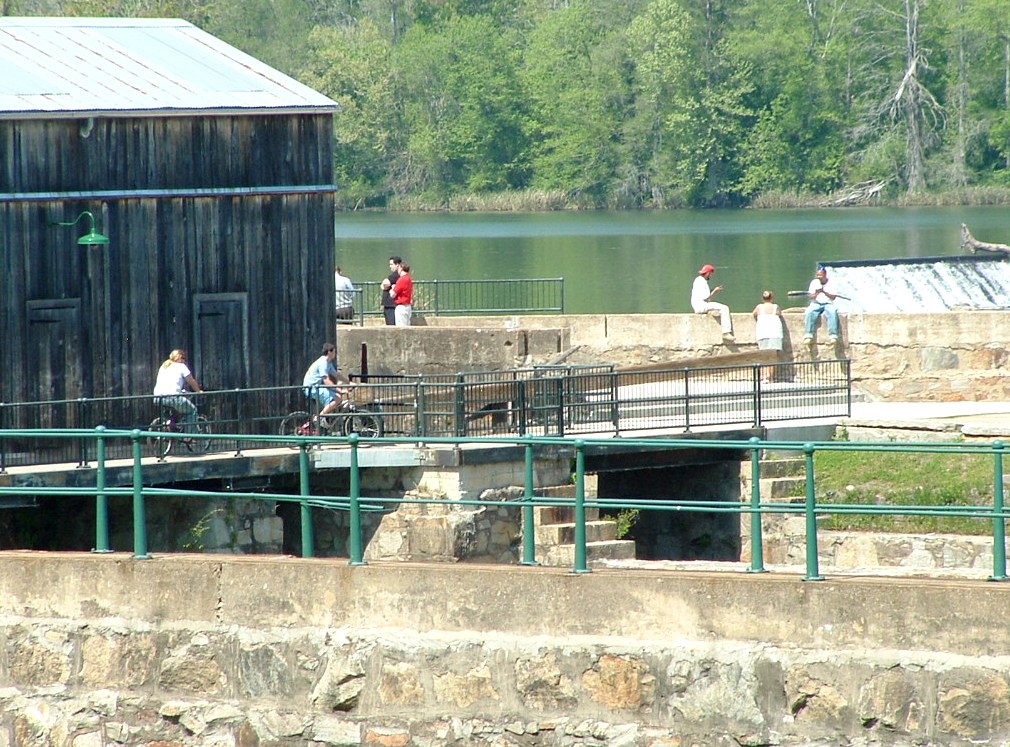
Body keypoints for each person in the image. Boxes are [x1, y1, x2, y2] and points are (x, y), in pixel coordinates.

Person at [152, 348, 202, 432]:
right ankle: (191, 435)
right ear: (179, 358)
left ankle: (168, 426)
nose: (184, 361)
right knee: (192, 410)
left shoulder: (164, 366)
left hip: (157, 398)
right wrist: (198, 391)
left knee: (171, 412)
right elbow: (191, 381)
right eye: (183, 358)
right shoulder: (181, 366)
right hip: (173, 397)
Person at [302, 342, 350, 417]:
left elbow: (336, 374)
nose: (335, 354)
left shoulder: (328, 363)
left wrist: (348, 382)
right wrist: (339, 390)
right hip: (312, 389)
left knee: (336, 398)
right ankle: (319, 418)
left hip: (315, 387)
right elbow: (326, 381)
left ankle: (326, 418)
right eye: (334, 352)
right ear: (329, 352)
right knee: (337, 398)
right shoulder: (323, 363)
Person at [691, 264, 734, 341]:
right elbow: (706, 297)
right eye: (711, 274)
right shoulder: (702, 282)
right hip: (701, 305)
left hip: (697, 305)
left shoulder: (698, 280)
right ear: (708, 273)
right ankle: (726, 332)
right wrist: (715, 291)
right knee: (724, 308)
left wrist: (713, 290)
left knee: (716, 308)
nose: (711, 276)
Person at [752, 291, 784, 383]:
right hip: (775, 333)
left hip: (763, 332)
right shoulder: (776, 307)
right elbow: (780, 314)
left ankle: (764, 376)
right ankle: (770, 377)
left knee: (763, 356)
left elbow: (754, 314)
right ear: (772, 298)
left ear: (762, 298)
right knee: (772, 356)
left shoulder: (759, 307)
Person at [803, 266, 841, 343]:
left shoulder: (832, 283)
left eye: (821, 275)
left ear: (825, 274)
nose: (819, 277)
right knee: (809, 312)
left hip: (828, 303)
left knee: (832, 313)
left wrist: (824, 292)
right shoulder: (814, 282)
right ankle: (808, 334)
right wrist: (817, 293)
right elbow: (811, 296)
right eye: (818, 275)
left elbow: (833, 297)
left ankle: (833, 335)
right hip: (816, 303)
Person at [380, 256, 402, 326]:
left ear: (397, 264)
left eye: (391, 264)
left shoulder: (396, 275)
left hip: (391, 305)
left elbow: (385, 283)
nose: (390, 266)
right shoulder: (396, 274)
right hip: (390, 305)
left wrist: (384, 286)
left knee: (391, 324)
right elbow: (383, 285)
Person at [390, 262, 413, 327]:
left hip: (401, 307)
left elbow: (393, 295)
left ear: (401, 268)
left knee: (401, 328)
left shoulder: (401, 279)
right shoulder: (408, 278)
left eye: (398, 268)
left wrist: (391, 290)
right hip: (407, 306)